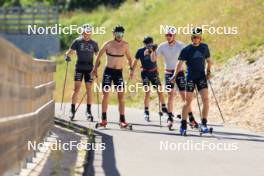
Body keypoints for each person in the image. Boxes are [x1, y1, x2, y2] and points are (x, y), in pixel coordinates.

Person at [154, 26, 198, 128]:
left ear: (174, 35)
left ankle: (191, 119)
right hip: (168, 73)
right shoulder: (162, 46)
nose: (168, 37)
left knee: (184, 97)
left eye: (170, 35)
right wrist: (151, 51)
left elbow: (189, 56)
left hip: (180, 73)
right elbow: (153, 58)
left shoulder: (181, 45)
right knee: (170, 95)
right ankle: (170, 118)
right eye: (167, 35)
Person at [92, 25, 133, 128]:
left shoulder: (125, 45)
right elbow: (98, 55)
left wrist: (130, 69)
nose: (119, 36)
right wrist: (95, 68)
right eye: (117, 33)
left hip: (118, 72)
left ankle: (122, 120)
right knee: (105, 94)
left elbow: (129, 58)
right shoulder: (108, 44)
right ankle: (103, 119)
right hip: (108, 72)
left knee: (121, 96)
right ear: (113, 34)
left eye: (121, 33)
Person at [173, 27, 212, 135]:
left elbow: (209, 61)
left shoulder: (204, 47)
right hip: (190, 78)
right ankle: (183, 125)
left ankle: (204, 124)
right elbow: (179, 64)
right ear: (191, 37)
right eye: (194, 37)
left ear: (200, 38)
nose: (195, 39)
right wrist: (174, 76)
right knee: (187, 102)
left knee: (206, 99)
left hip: (201, 77)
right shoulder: (186, 49)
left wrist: (208, 72)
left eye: (197, 37)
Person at [65, 24, 99, 121]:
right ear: (83, 32)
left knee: (89, 89)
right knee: (76, 89)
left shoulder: (94, 43)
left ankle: (88, 111)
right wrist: (67, 56)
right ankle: (72, 110)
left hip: (89, 68)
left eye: (89, 32)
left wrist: (98, 62)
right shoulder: (77, 41)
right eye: (85, 32)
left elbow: (97, 54)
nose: (87, 34)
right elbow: (69, 51)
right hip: (79, 67)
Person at [131, 36, 168, 121]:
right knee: (147, 92)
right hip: (145, 73)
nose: (148, 44)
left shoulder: (155, 49)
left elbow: (154, 59)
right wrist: (131, 70)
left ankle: (164, 108)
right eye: (147, 42)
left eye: (150, 42)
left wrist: (154, 50)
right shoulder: (141, 51)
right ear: (144, 43)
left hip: (154, 72)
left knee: (159, 90)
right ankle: (146, 111)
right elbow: (135, 61)